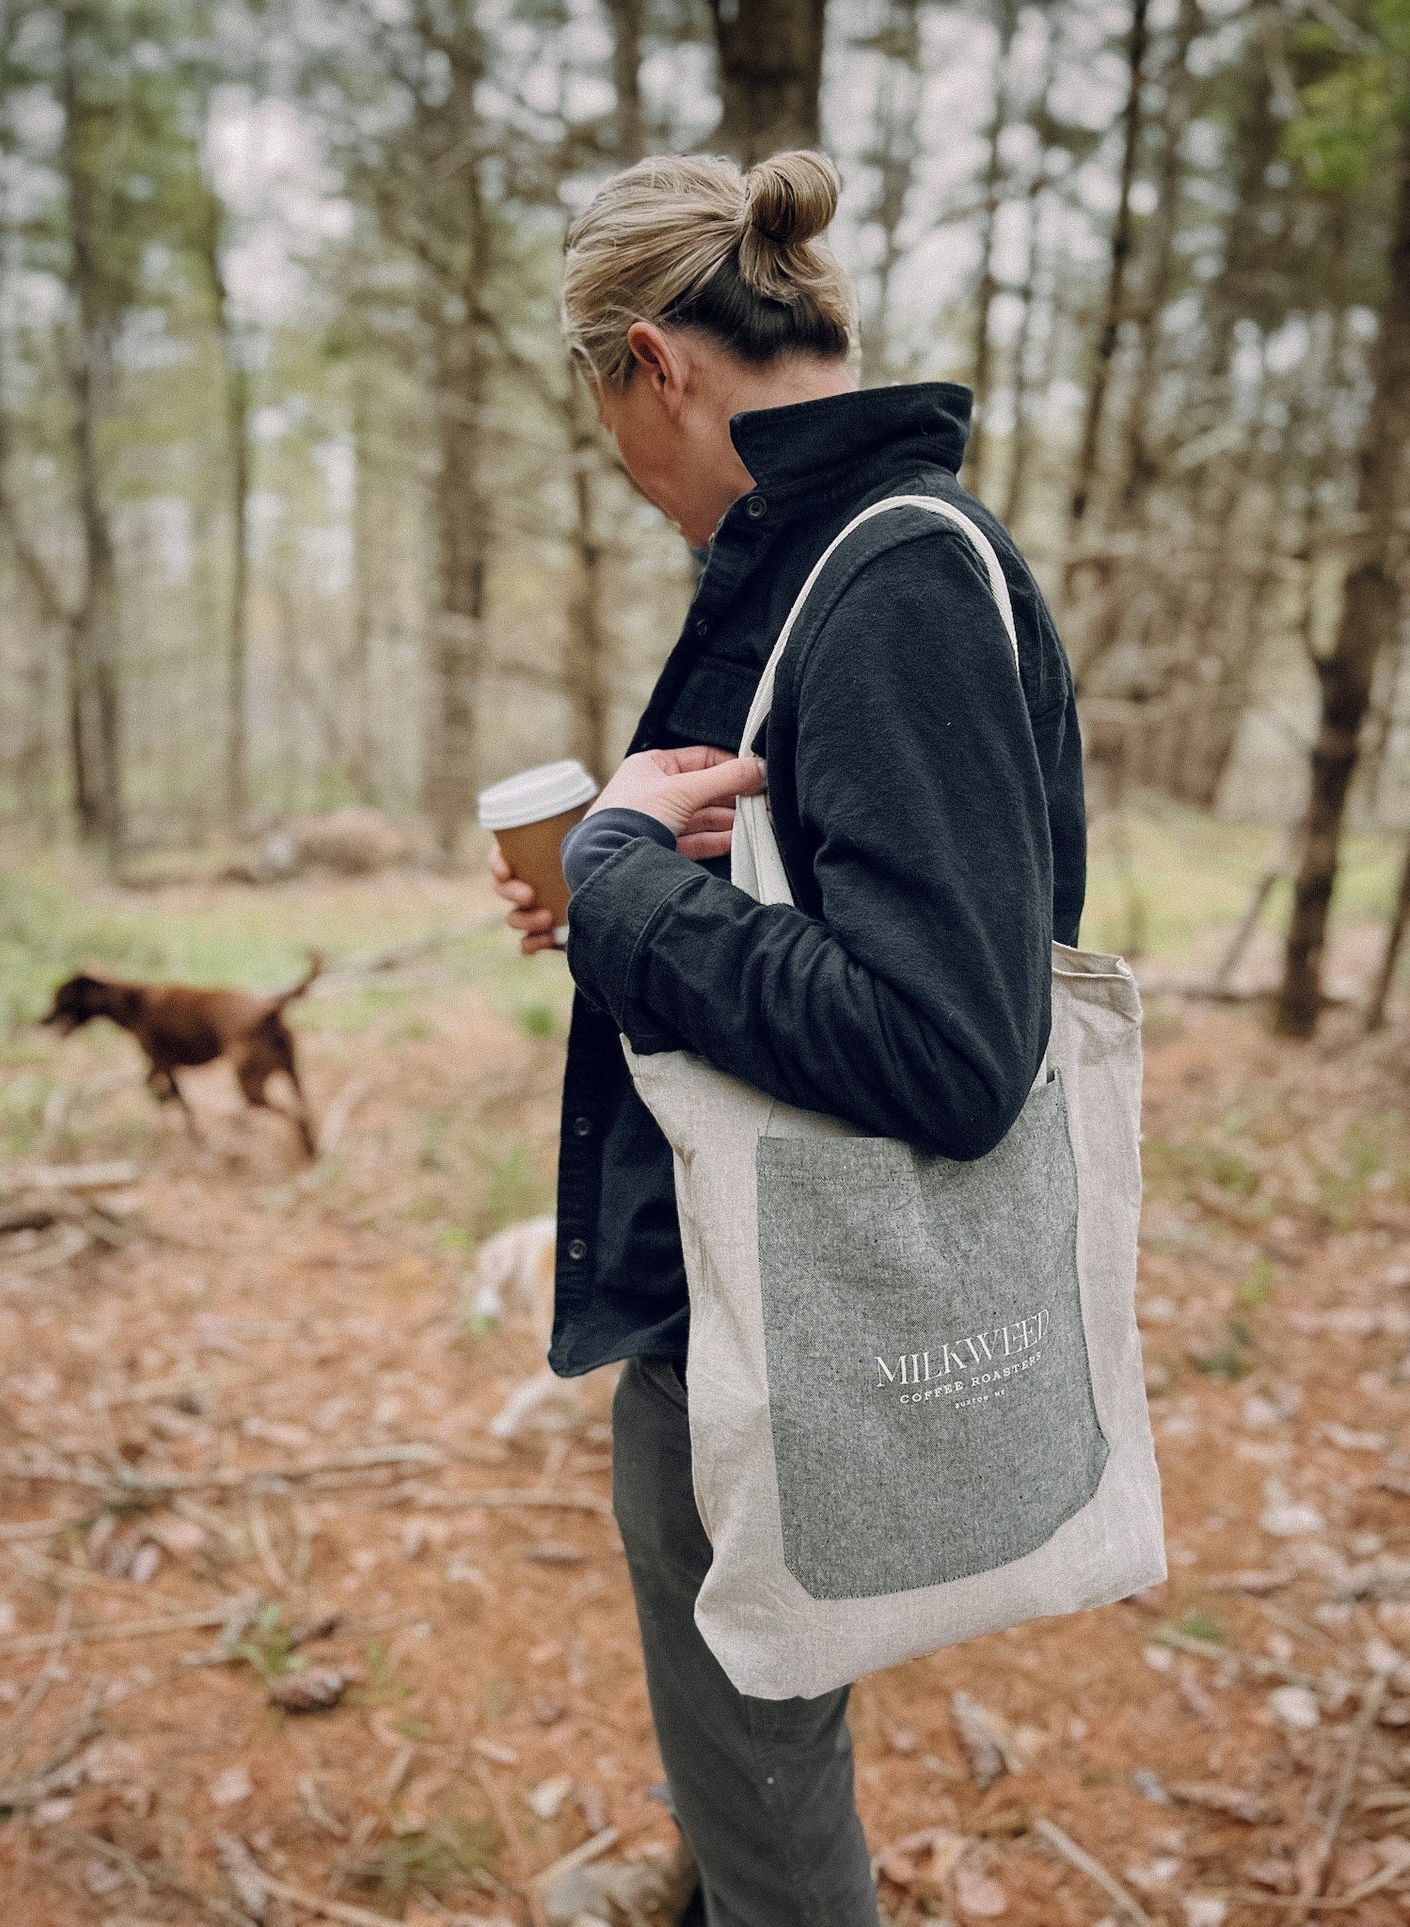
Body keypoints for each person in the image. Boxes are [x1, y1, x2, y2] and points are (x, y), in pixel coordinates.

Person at [489, 148, 1086, 1927]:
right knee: (744, 1696)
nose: (618, 459)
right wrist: (630, 885)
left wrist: (626, 900)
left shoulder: (891, 580)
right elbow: (824, 887)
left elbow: (952, 1047)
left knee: (762, 1738)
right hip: (756, 1273)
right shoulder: (810, 554)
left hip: (788, 1297)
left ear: (650, 365)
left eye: (604, 407)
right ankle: (710, 1876)